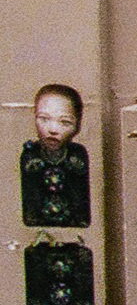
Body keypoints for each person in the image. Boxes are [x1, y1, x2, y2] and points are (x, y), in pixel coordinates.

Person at [21, 82, 91, 229]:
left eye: (64, 122)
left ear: (77, 126)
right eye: (44, 119)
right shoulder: (29, 156)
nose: (53, 129)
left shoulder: (78, 156)